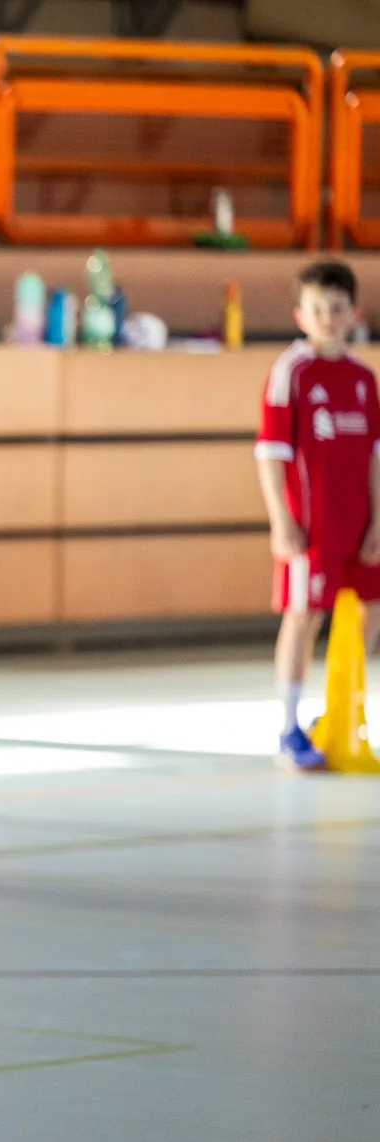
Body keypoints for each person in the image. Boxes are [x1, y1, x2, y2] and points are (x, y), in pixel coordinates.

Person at [256, 259, 380, 770]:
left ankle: (336, 714)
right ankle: (288, 728)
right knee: (303, 617)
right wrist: (280, 521)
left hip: (358, 523)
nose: (328, 318)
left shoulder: (362, 379)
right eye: (317, 309)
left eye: (337, 308)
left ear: (353, 313)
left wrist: (378, 521)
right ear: (300, 315)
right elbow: (271, 451)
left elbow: (375, 454)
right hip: (312, 526)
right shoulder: (292, 372)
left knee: (370, 613)